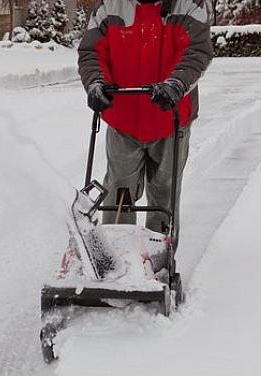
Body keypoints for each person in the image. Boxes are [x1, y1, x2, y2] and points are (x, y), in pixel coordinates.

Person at [78, 0, 213, 250]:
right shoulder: (110, 6)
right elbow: (92, 52)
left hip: (170, 118)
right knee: (120, 191)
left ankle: (158, 259)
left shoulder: (189, 5)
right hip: (123, 118)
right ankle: (117, 256)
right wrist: (96, 82)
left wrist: (176, 83)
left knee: (164, 194)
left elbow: (196, 51)